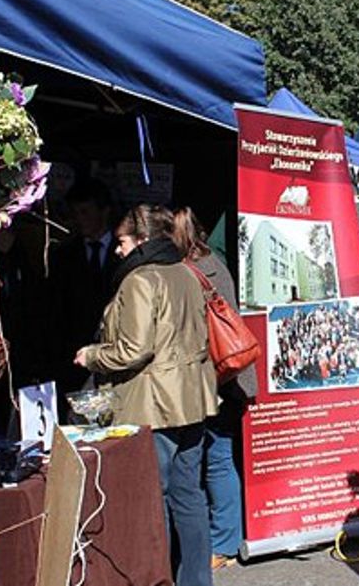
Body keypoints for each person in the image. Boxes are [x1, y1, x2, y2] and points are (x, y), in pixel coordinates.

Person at [75, 204, 217, 586]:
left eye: (122, 241)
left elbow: (134, 348)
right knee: (190, 499)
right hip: (191, 400)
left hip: (155, 406)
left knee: (155, 501)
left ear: (142, 240)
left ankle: (159, 577)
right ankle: (197, 580)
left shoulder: (141, 280)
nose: (117, 250)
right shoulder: (186, 272)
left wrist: (92, 355)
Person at [172, 207, 249, 570]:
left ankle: (218, 542)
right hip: (226, 378)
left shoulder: (187, 272)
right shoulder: (214, 261)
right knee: (218, 459)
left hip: (207, 379)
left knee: (206, 461)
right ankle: (225, 539)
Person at [48, 178, 118, 407]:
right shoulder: (63, 257)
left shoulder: (124, 254)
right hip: (74, 360)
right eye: (75, 213)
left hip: (114, 355)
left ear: (104, 212)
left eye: (85, 212)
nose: (79, 219)